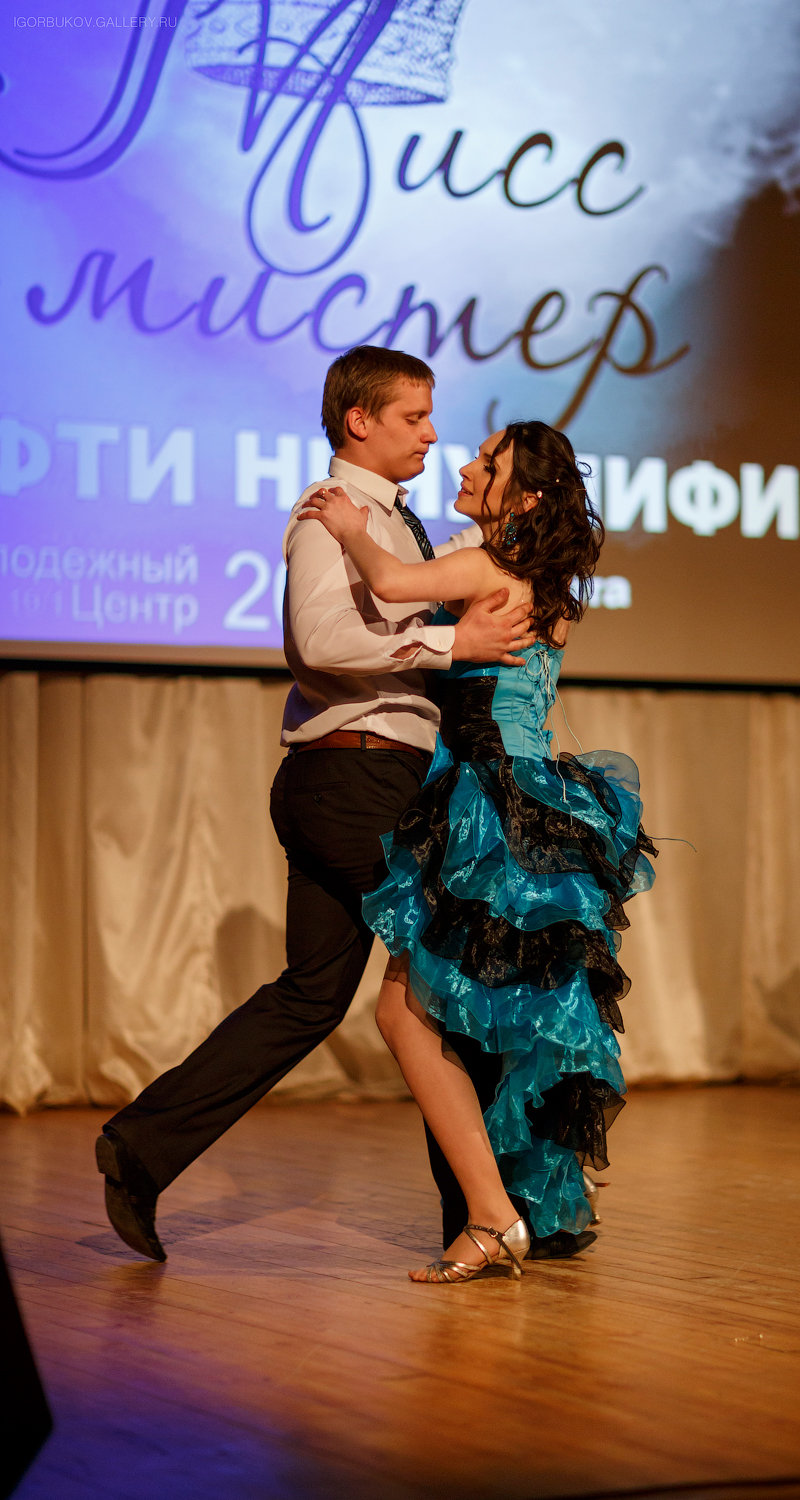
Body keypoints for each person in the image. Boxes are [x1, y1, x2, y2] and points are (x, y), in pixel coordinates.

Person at [95, 347, 541, 1264]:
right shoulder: (329, 515)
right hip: (355, 778)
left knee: (311, 997)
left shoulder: (400, 525)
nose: (432, 434)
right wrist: (452, 646)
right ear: (359, 422)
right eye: (414, 417)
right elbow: (320, 642)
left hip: (360, 780)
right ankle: (491, 1210)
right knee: (447, 977)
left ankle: (140, 1147)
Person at [301, 419, 657, 1282]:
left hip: (491, 802)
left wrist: (348, 525)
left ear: (523, 497)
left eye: (488, 463)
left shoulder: (493, 566)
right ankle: (528, 1200)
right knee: (512, 1014)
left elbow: (392, 583)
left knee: (410, 1011)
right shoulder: (543, 578)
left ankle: (495, 1217)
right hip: (533, 797)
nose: (464, 464)